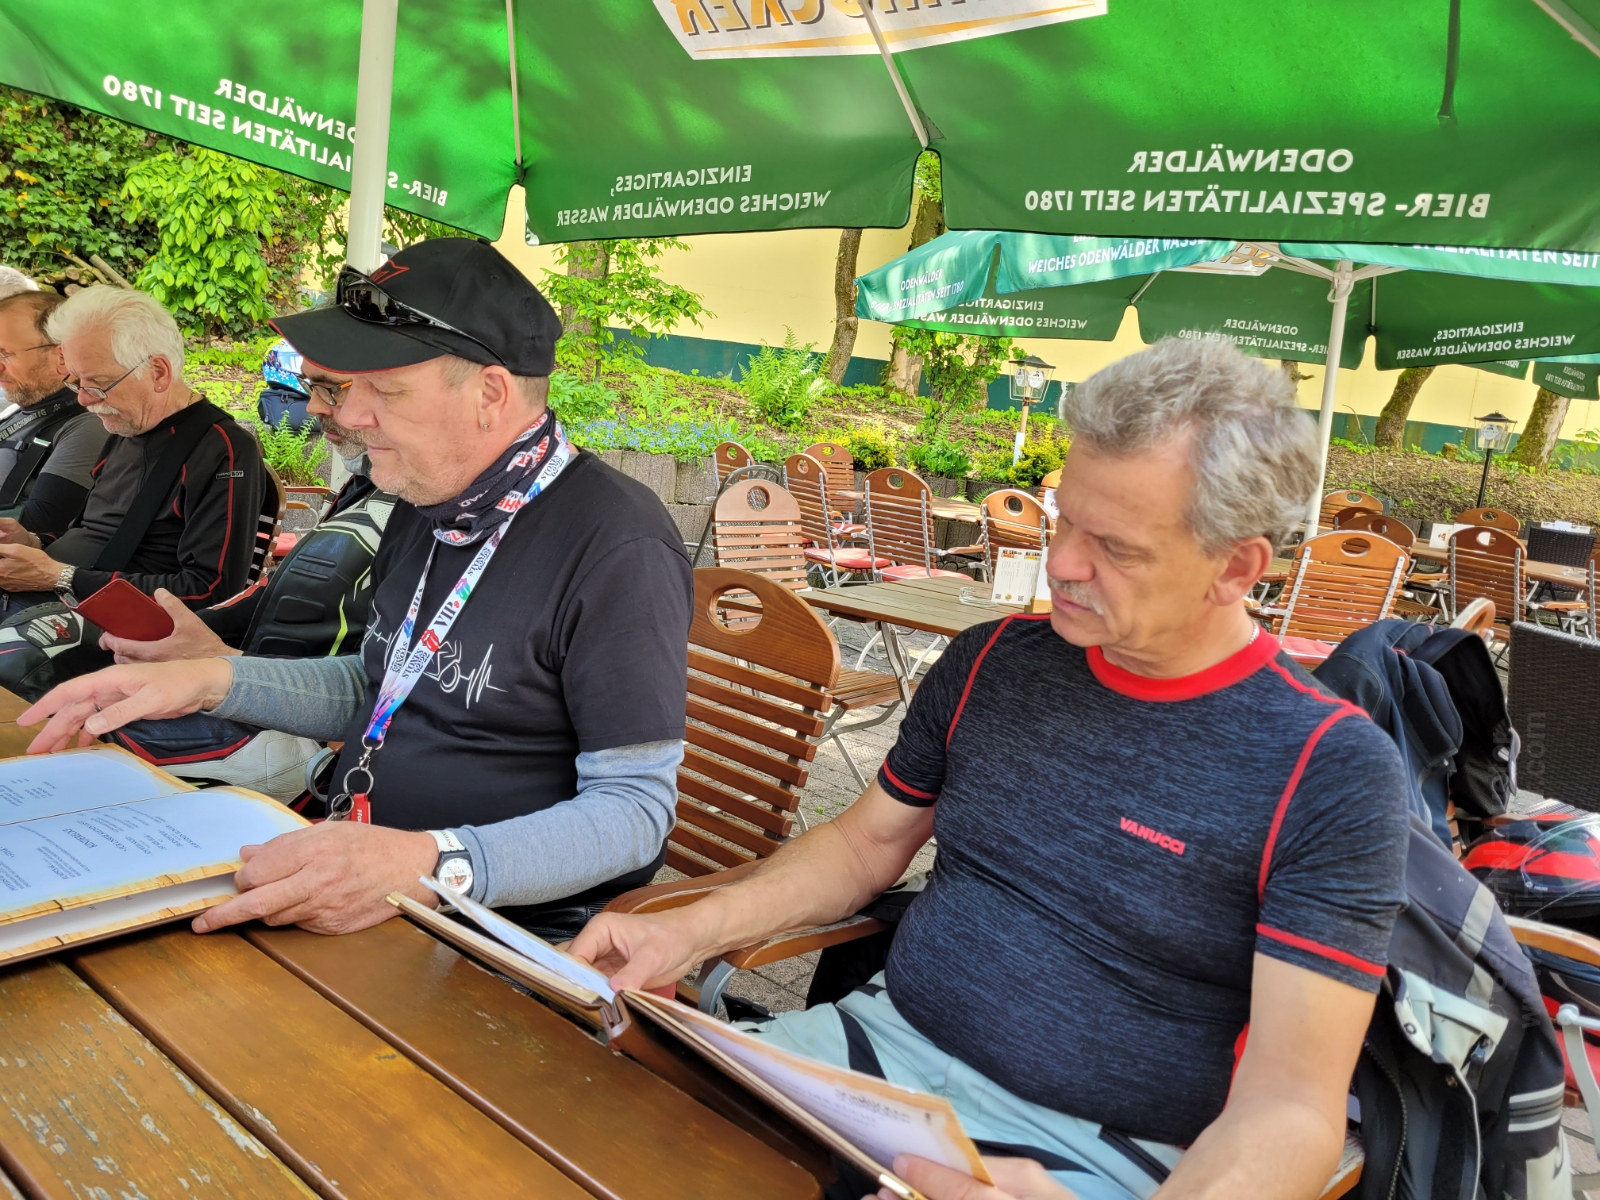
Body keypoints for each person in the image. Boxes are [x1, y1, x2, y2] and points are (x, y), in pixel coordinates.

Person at [570, 339, 1410, 1200]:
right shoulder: (994, 662)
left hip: (1102, 1156)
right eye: (1065, 520)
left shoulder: (1328, 772)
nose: (1063, 564)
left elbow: (1292, 1107)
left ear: (1237, 566)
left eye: (1115, 547)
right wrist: (690, 929)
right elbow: (862, 848)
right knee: (594, 1129)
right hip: (870, 1065)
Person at [20, 237, 693, 944]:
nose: (348, 415)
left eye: (386, 390)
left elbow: (635, 813)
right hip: (347, 864)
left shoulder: (617, 544)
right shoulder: (427, 498)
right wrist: (210, 680)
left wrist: (432, 866)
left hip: (493, 923)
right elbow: (381, 682)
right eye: (350, 387)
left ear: (490, 395)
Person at [0, 286, 264, 609]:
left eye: (98, 385)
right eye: (76, 382)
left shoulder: (222, 450)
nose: (83, 399)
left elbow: (209, 591)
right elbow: (89, 533)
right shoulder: (125, 427)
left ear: (158, 373)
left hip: (116, 623)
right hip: (56, 600)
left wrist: (61, 577)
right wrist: (33, 543)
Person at [0, 291, 112, 541]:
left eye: (6, 354)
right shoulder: (25, 408)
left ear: (62, 358)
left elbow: (44, 521)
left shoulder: (88, 425)